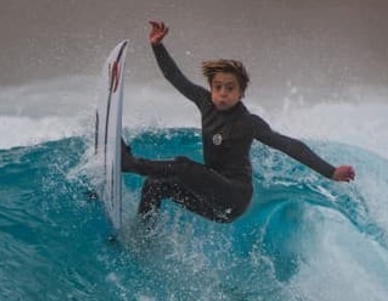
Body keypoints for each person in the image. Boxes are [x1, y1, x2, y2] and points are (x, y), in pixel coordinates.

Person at [122, 20, 355, 224]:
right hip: (211, 203)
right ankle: (144, 238)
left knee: (183, 166)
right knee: (155, 185)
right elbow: (175, 77)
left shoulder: (248, 123)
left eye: (230, 88)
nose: (223, 93)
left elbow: (288, 145)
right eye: (218, 87)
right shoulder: (205, 103)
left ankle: (132, 164)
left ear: (241, 93)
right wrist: (157, 46)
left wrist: (330, 171)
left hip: (234, 197)